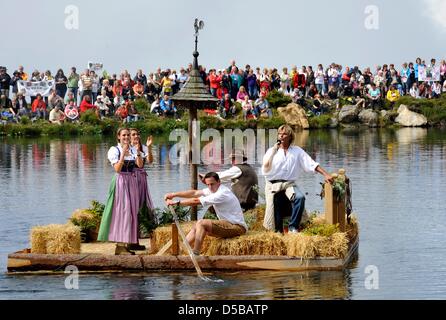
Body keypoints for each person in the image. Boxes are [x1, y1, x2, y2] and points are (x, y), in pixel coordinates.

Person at [262, 124, 333, 233]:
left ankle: (293, 227)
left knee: (300, 197)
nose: (281, 136)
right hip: (273, 185)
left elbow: (311, 164)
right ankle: (277, 232)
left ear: (290, 136)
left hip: (289, 185)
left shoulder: (297, 151)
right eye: (279, 134)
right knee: (275, 202)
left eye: (284, 134)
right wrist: (273, 152)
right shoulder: (271, 150)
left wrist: (325, 174)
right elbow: (265, 168)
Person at [164, 172, 248, 256]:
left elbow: (196, 201)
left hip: (237, 227)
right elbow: (194, 193)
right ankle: (180, 251)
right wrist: (173, 194)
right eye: (208, 185)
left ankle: (195, 253)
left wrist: (176, 203)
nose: (210, 187)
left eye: (212, 184)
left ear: (219, 182)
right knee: (196, 225)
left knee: (201, 223)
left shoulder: (222, 193)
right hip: (227, 224)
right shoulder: (213, 189)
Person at [97, 128, 144, 255]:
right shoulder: (114, 150)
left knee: (131, 212)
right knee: (122, 212)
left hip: (132, 182)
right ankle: (119, 245)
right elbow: (117, 169)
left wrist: (138, 151)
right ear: (118, 137)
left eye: (128, 135)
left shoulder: (133, 149)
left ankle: (126, 244)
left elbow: (139, 165)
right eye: (124, 135)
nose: (127, 137)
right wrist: (123, 153)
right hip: (121, 181)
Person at [129, 129, 157, 250]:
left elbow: (150, 161)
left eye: (137, 134)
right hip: (132, 178)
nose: (136, 136)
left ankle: (137, 238)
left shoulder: (143, 147)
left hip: (141, 178)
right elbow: (137, 164)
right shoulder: (128, 149)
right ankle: (131, 240)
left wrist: (149, 148)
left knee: (142, 207)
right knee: (133, 209)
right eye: (133, 134)